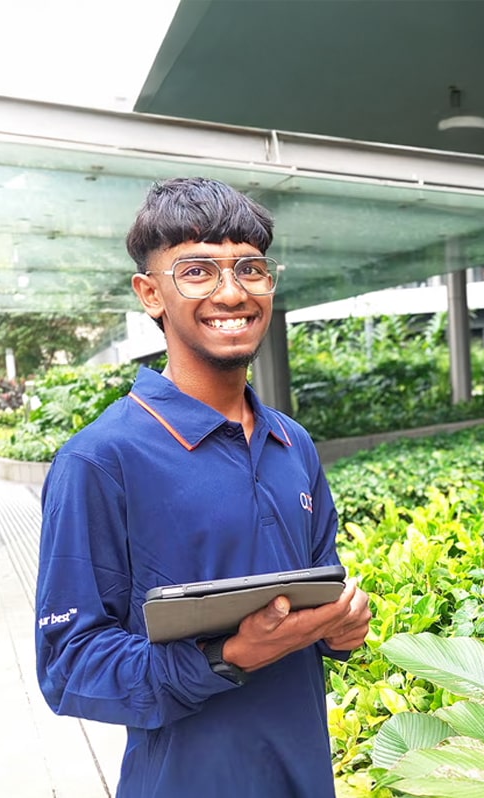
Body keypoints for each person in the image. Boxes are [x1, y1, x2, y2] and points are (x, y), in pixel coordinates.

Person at [35, 177, 371, 797]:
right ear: (150, 293)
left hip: (305, 776)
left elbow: (321, 591)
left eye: (251, 268)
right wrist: (225, 656)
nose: (232, 291)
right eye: (197, 270)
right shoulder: (100, 460)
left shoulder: (291, 443)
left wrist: (343, 628)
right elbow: (68, 666)